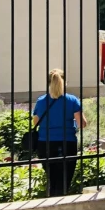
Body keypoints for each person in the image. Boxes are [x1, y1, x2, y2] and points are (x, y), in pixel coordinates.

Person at [32, 69, 84, 197]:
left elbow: (35, 122)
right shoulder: (72, 100)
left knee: (52, 178)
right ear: (64, 82)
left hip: (45, 143)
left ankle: (51, 201)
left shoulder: (41, 101)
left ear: (48, 82)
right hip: (67, 142)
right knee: (64, 180)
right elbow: (81, 124)